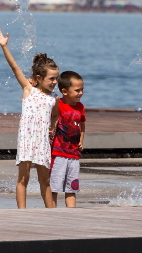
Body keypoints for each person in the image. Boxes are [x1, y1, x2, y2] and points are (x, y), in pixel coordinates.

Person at [0, 28, 59, 209]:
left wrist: (53, 126)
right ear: (39, 78)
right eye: (51, 78)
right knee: (24, 178)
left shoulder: (54, 98)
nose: (55, 82)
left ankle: (51, 212)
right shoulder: (29, 90)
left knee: (44, 179)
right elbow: (14, 67)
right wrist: (4, 47)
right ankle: (22, 211)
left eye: (56, 78)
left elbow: (56, 114)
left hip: (43, 141)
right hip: (27, 140)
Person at [50, 71, 86, 208]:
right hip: (58, 153)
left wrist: (81, 141)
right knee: (54, 186)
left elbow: (82, 126)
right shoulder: (57, 104)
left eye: (82, 89)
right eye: (77, 90)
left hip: (74, 154)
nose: (81, 93)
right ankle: (51, 211)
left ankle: (71, 212)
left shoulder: (81, 107)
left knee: (72, 187)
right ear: (64, 91)